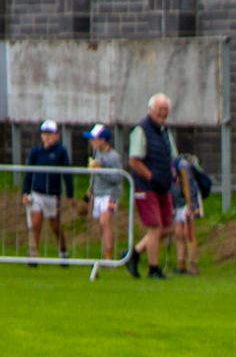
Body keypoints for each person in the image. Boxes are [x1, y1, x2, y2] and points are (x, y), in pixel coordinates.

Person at [125, 93, 176, 279]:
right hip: (147, 186)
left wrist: (173, 173)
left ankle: (135, 253)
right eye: (160, 110)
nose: (163, 114)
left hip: (163, 186)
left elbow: (172, 156)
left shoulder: (165, 132)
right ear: (151, 110)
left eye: (166, 111)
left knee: (168, 227)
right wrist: (151, 176)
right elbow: (134, 160)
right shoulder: (141, 130)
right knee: (155, 227)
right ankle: (153, 268)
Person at [23, 119, 74, 266]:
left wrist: (70, 195)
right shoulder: (36, 152)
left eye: (50, 134)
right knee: (36, 221)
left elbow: (67, 175)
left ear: (57, 135)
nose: (47, 137)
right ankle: (33, 254)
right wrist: (25, 192)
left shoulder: (60, 152)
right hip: (38, 192)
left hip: (53, 194)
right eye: (45, 134)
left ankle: (63, 251)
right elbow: (29, 173)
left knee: (55, 226)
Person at [83, 124, 125, 261]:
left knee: (105, 222)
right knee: (101, 224)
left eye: (94, 139)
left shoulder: (113, 157)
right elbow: (94, 175)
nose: (91, 142)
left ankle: (109, 256)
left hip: (111, 194)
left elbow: (118, 178)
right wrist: (91, 188)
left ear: (103, 140)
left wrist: (102, 170)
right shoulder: (97, 153)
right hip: (99, 193)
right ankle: (105, 251)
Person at [171, 154, 204, 274]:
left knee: (189, 233)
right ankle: (181, 265)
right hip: (177, 202)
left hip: (188, 202)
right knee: (178, 233)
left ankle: (193, 265)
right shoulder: (167, 166)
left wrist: (191, 206)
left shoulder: (182, 165)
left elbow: (188, 186)